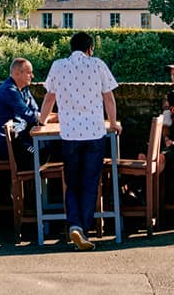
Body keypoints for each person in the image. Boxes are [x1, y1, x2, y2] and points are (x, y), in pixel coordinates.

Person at [40, 32, 121, 251]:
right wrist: (113, 122)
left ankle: (75, 224)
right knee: (90, 183)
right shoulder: (97, 65)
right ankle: (83, 228)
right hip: (94, 133)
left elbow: (49, 97)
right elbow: (109, 97)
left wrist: (42, 120)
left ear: (71, 48)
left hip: (70, 136)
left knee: (72, 183)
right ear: (90, 48)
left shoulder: (58, 66)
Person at [0, 57, 40, 168]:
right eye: (29, 73)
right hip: (6, 143)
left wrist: (41, 116)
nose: (32, 76)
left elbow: (35, 110)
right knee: (41, 155)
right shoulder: (9, 90)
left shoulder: (24, 89)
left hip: (19, 138)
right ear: (17, 73)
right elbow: (29, 115)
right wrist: (52, 117)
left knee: (47, 150)